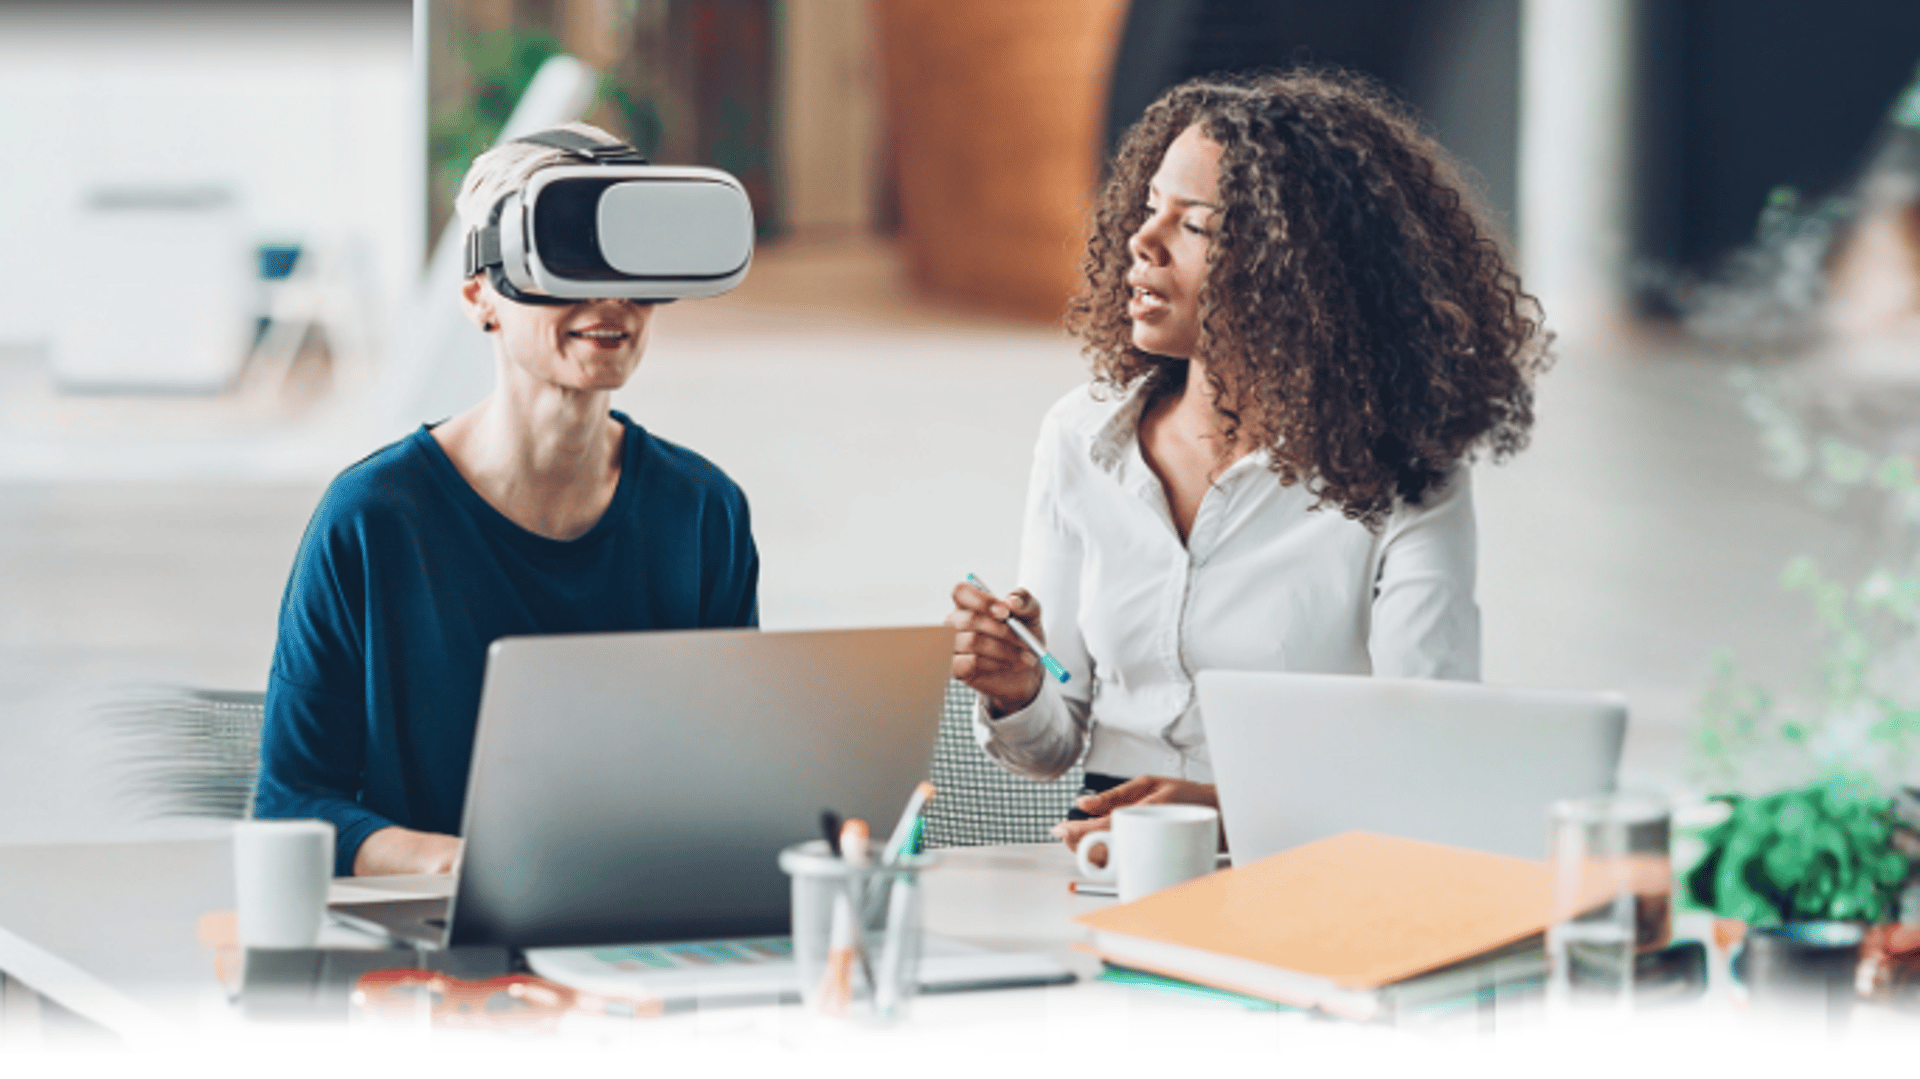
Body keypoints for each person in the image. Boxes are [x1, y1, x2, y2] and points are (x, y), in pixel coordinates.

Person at [948, 70, 1548, 852]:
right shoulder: (1079, 437)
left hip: (1308, 859)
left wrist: (1230, 807)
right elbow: (1054, 745)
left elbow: (1429, 752)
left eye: (1194, 225)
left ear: (1298, 268)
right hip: (1105, 858)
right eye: (1149, 205)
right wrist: (1019, 690)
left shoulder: (1404, 475)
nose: (1143, 238)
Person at [253, 122, 760, 876]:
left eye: (636, 266)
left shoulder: (703, 510)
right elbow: (293, 805)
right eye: (570, 261)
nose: (613, 298)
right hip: (440, 952)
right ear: (479, 296)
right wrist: (474, 867)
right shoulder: (371, 519)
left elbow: (737, 771)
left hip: (644, 924)